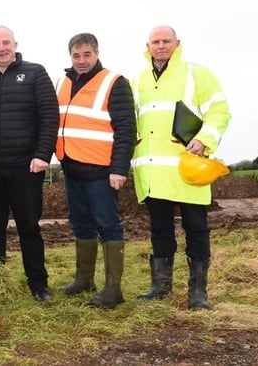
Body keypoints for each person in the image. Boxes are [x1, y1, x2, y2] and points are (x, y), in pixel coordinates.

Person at [131, 25, 231, 310]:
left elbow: (220, 110)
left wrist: (204, 140)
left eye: (166, 41)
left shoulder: (196, 74)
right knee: (160, 229)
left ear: (177, 43)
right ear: (147, 45)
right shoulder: (137, 79)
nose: (160, 46)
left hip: (188, 169)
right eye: (155, 41)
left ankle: (198, 292)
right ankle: (160, 286)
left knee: (196, 228)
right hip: (153, 171)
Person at [0, 25, 58, 302]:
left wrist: (42, 154)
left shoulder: (35, 73)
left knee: (29, 225)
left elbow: (49, 116)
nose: (2, 48)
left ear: (15, 44)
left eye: (6, 43)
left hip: (26, 166)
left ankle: (38, 285)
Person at [55, 33, 136, 309]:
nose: (81, 61)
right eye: (76, 56)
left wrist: (119, 168)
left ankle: (113, 289)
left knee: (108, 226)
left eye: (86, 54)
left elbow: (126, 129)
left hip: (102, 172)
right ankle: (84, 279)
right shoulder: (62, 82)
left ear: (97, 53)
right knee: (81, 224)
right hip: (71, 167)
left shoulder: (114, 83)